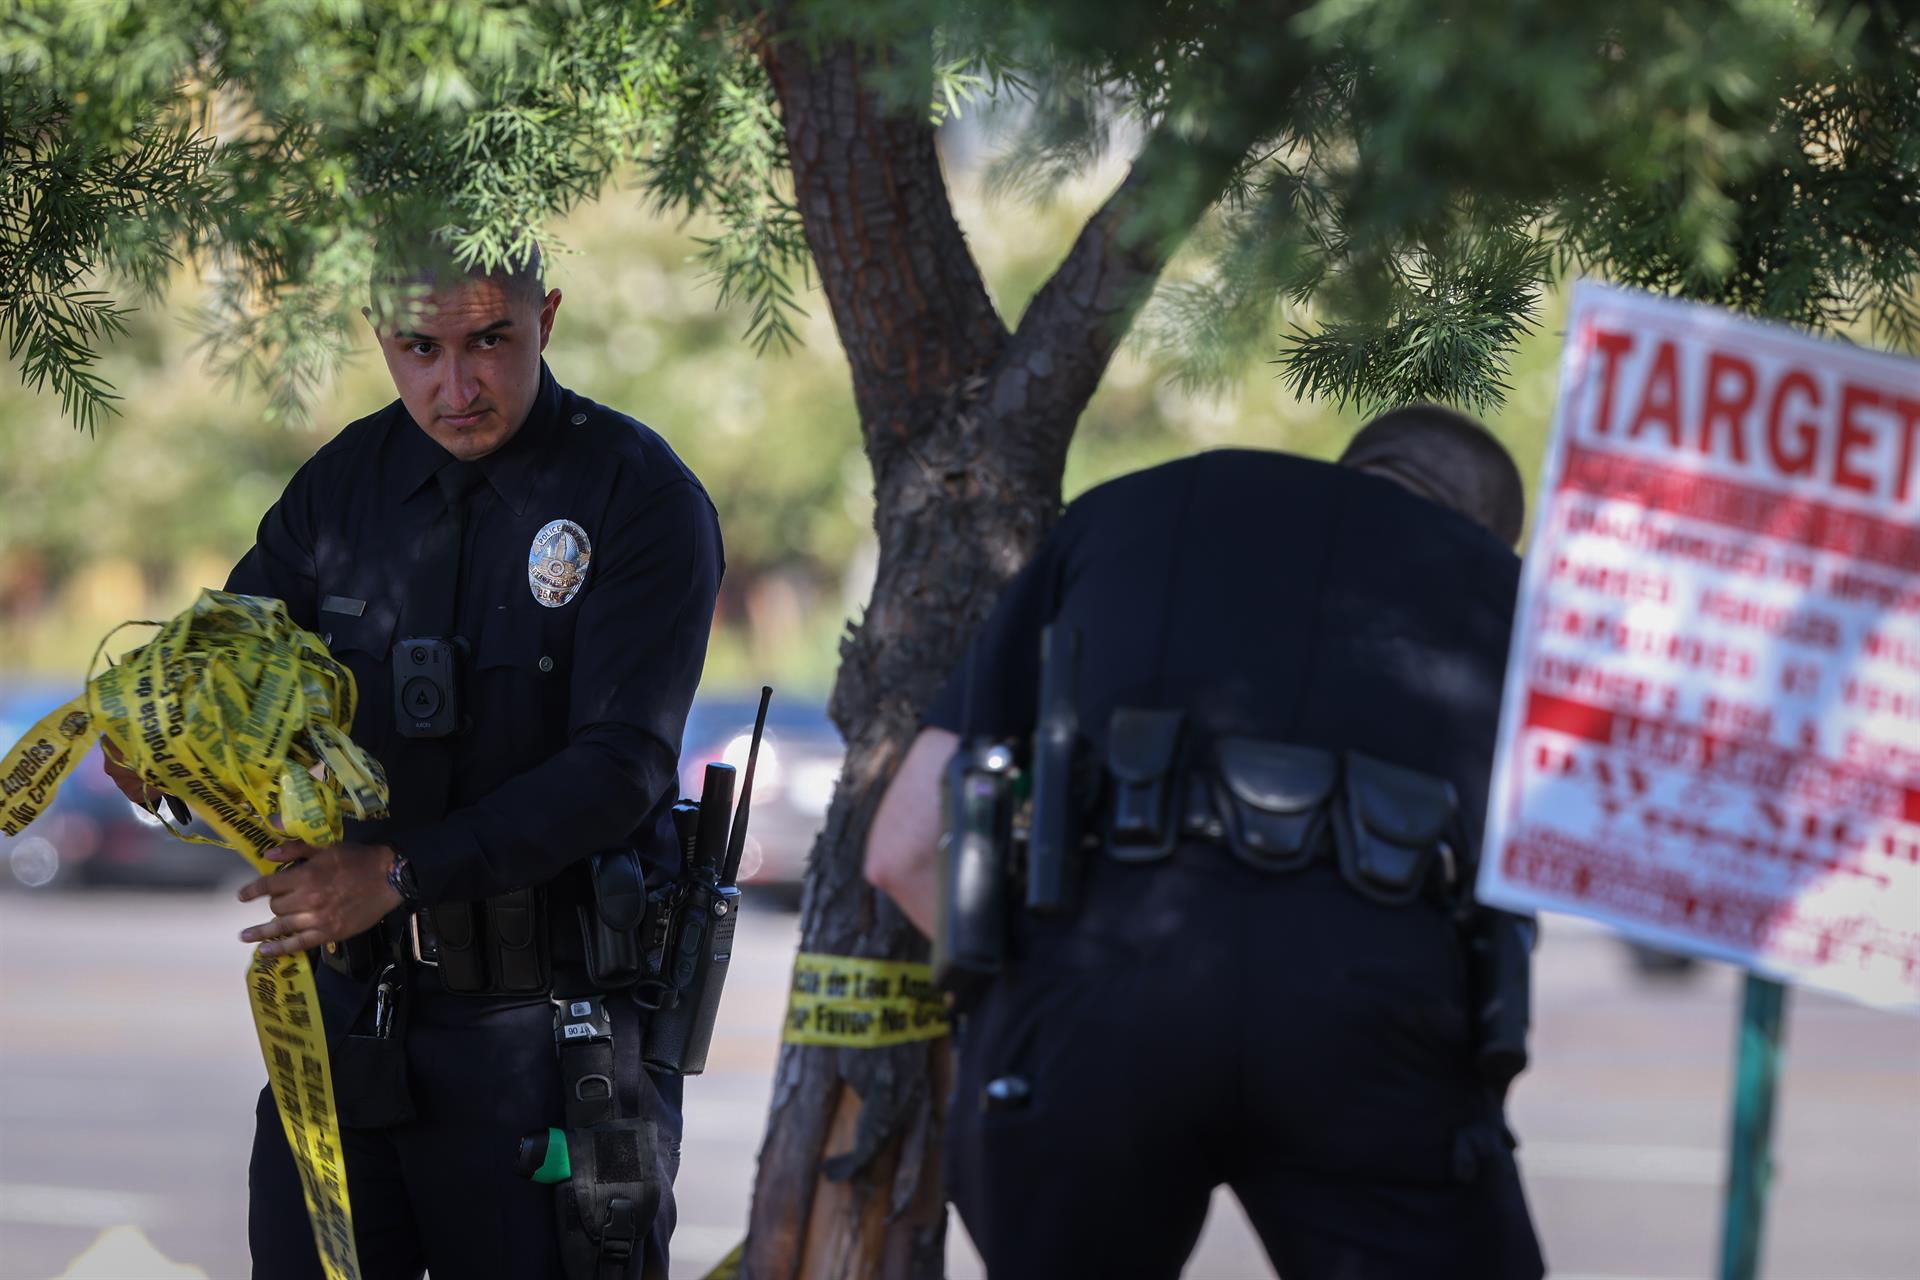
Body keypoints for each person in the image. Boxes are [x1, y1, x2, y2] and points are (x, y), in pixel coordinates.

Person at [102, 243, 723, 1279]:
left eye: (491, 339)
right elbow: (233, 678)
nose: (457, 382)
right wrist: (166, 759)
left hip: (551, 1032)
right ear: (378, 335)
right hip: (351, 1020)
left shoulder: (636, 490)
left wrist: (395, 871)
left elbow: (622, 766)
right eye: (420, 347)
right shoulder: (346, 483)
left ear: (547, 317)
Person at [864, 405, 1545, 1279]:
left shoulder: (1127, 513)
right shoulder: (1506, 596)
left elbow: (903, 849)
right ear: (1484, 530)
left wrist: (1023, 1009)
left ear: (1352, 465)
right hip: (1372, 1018)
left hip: (1097, 989)